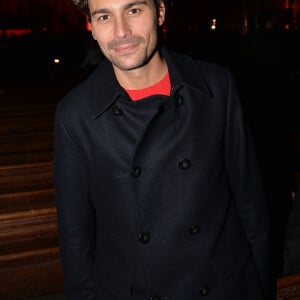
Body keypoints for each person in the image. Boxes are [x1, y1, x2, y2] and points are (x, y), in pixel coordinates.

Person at [53, 0, 272, 299]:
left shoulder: (217, 87)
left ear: (160, 12)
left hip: (224, 287)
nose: (121, 31)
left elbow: (252, 206)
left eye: (133, 10)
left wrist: (259, 286)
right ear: (90, 26)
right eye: (105, 16)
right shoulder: (75, 116)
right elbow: (76, 244)